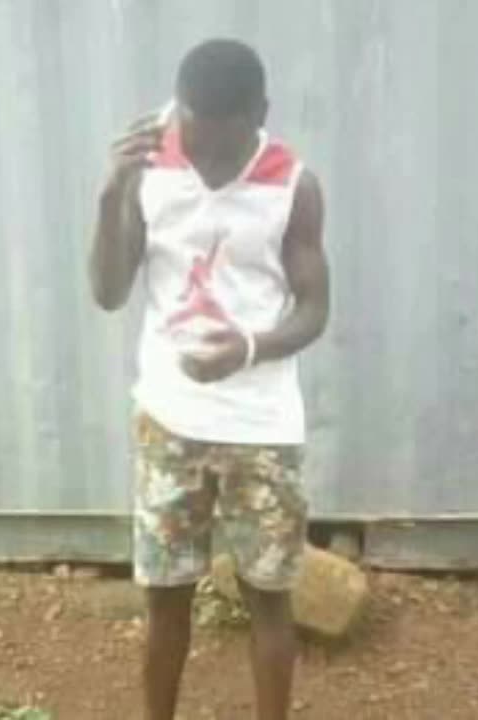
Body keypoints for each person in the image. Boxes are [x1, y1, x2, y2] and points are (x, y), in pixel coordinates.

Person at [89, 38, 329, 720]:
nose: (209, 164)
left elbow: (314, 309)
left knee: (268, 600)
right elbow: (108, 292)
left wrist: (248, 348)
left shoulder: (292, 184)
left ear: (260, 114)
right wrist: (111, 194)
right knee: (165, 602)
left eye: (225, 148)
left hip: (262, 428)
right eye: (197, 142)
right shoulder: (150, 168)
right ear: (180, 112)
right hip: (168, 422)